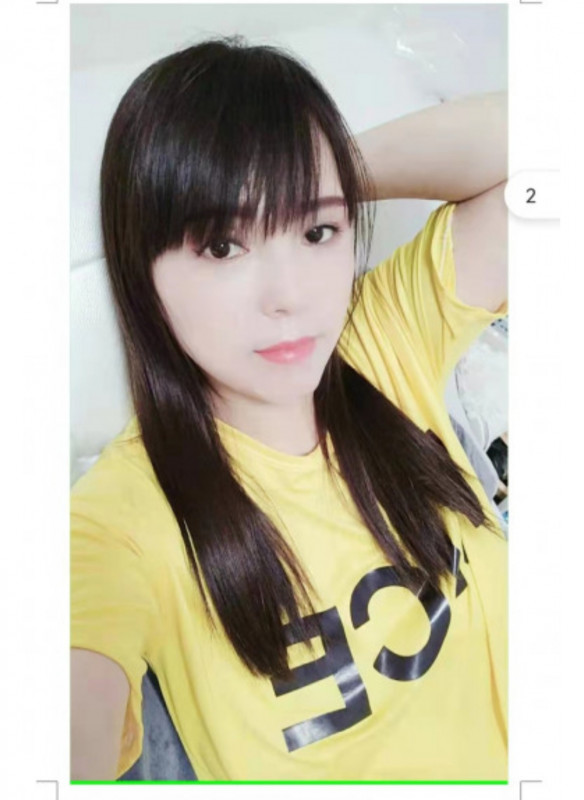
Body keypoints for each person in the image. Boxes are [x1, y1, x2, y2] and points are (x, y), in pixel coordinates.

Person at [71, 37, 508, 781]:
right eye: (222, 246)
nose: (290, 297)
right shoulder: (120, 521)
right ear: (142, 267)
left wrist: (316, 173)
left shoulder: (379, 340)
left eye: (316, 232)